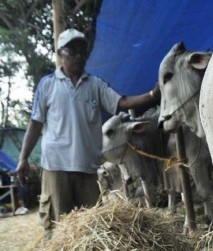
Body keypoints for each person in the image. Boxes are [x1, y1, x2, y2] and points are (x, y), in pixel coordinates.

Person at [15, 28, 158, 237]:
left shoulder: (95, 85)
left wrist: (154, 94)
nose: (79, 55)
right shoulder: (47, 85)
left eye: (82, 51)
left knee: (91, 232)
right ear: (59, 54)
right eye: (72, 51)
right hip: (56, 167)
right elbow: (35, 124)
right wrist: (23, 159)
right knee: (57, 230)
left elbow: (122, 103)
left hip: (88, 168)